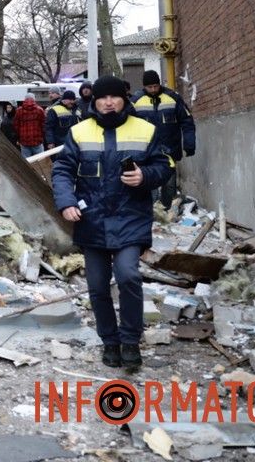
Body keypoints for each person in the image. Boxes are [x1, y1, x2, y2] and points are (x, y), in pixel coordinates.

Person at [53, 75, 173, 371]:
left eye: (114, 97)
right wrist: (66, 202)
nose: (108, 102)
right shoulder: (80, 131)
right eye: (102, 97)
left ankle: (130, 341)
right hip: (92, 220)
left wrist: (146, 176)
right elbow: (63, 170)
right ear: (94, 101)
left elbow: (164, 165)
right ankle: (110, 341)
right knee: (96, 285)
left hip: (131, 218)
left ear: (124, 99)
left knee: (128, 275)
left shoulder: (145, 129)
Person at [131, 70, 196, 208]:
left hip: (170, 149)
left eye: (156, 86)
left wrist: (189, 143)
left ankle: (166, 209)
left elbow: (186, 121)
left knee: (169, 183)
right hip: (146, 151)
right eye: (150, 87)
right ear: (144, 86)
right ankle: (151, 211)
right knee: (149, 182)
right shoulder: (135, 101)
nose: (153, 90)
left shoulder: (173, 98)